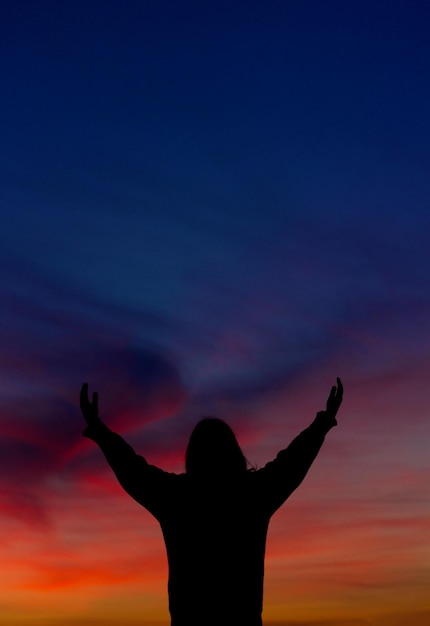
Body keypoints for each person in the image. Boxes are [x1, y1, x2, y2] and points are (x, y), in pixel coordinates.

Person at [80, 377, 343, 626]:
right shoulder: (252, 494)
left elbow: (133, 470)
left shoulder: (177, 497)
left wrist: (100, 430)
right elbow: (291, 463)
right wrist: (323, 421)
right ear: (234, 452)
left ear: (193, 455)